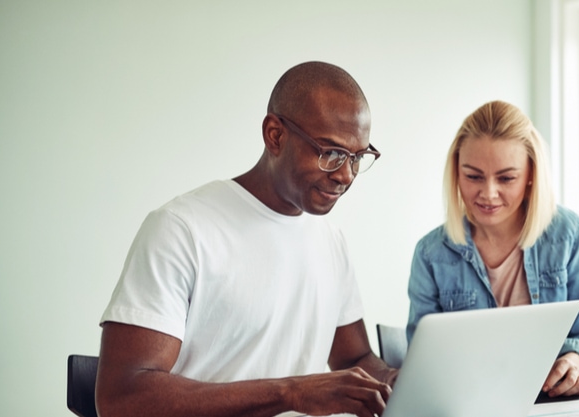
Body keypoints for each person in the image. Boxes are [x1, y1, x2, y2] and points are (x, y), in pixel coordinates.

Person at [96, 61, 398, 417]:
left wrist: (402, 381)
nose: (346, 176)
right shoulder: (181, 229)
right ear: (275, 135)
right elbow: (120, 398)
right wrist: (290, 393)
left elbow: (354, 358)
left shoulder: (330, 240)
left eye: (357, 157)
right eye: (331, 153)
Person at [406, 100, 579, 398]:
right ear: (456, 172)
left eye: (506, 178)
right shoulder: (431, 254)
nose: (488, 193)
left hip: (550, 403)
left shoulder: (566, 233)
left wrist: (574, 361)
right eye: (473, 176)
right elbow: (422, 362)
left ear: (530, 175)